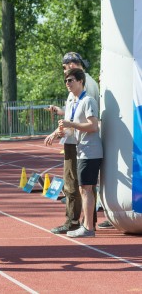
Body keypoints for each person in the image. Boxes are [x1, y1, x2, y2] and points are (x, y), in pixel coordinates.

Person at [45, 52, 100, 234]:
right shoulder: (81, 84)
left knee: (76, 185)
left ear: (74, 65)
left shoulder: (86, 86)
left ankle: (75, 221)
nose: (66, 79)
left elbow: (88, 119)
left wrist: (66, 126)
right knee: (84, 185)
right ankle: (86, 221)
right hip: (75, 139)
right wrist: (59, 128)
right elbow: (72, 114)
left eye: (66, 68)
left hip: (80, 143)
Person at [58, 68, 102, 237]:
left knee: (86, 189)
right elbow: (76, 130)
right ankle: (87, 226)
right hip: (82, 150)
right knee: (84, 189)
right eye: (66, 81)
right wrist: (64, 132)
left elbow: (93, 126)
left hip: (91, 151)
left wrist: (72, 125)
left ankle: (88, 227)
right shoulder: (75, 102)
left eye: (71, 80)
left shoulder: (88, 101)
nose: (67, 84)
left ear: (81, 81)